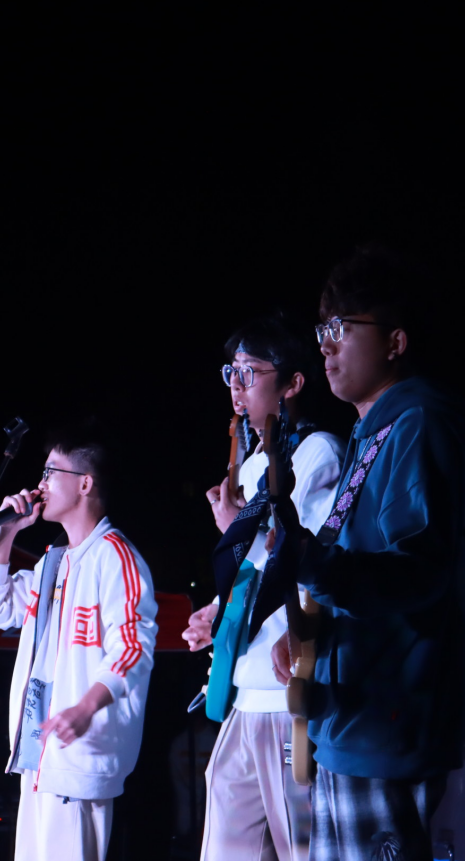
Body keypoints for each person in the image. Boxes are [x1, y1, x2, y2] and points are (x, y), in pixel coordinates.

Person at [271, 247, 465, 861]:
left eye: (342, 328)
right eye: (322, 331)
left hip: (387, 717)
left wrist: (310, 562)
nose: (326, 346)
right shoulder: (372, 432)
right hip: (349, 718)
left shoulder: (419, 423)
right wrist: (308, 635)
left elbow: (418, 572)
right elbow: (352, 563)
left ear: (395, 341)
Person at [181, 315, 344, 861]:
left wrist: (235, 527)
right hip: (243, 687)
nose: (236, 385)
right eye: (231, 372)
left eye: (249, 373)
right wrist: (217, 609)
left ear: (293, 383)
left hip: (284, 691)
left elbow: (310, 560)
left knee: (300, 846)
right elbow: (254, 565)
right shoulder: (254, 461)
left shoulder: (318, 453)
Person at [0, 433, 157, 861]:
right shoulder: (53, 561)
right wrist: (5, 535)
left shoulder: (116, 557)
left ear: (85, 483)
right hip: (39, 753)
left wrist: (85, 707)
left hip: (80, 754)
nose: (39, 484)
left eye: (50, 473)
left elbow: (132, 647)